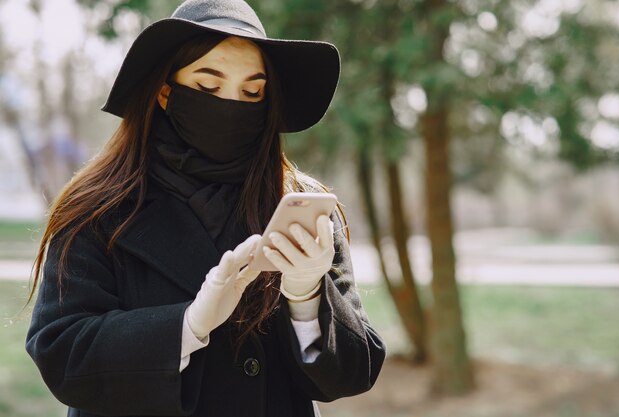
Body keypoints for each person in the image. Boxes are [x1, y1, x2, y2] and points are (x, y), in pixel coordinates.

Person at [25, 0, 386, 416]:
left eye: (252, 91)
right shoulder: (97, 208)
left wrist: (307, 297)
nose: (230, 105)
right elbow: (60, 351)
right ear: (165, 92)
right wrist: (188, 325)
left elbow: (354, 373)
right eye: (208, 87)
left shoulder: (300, 207)